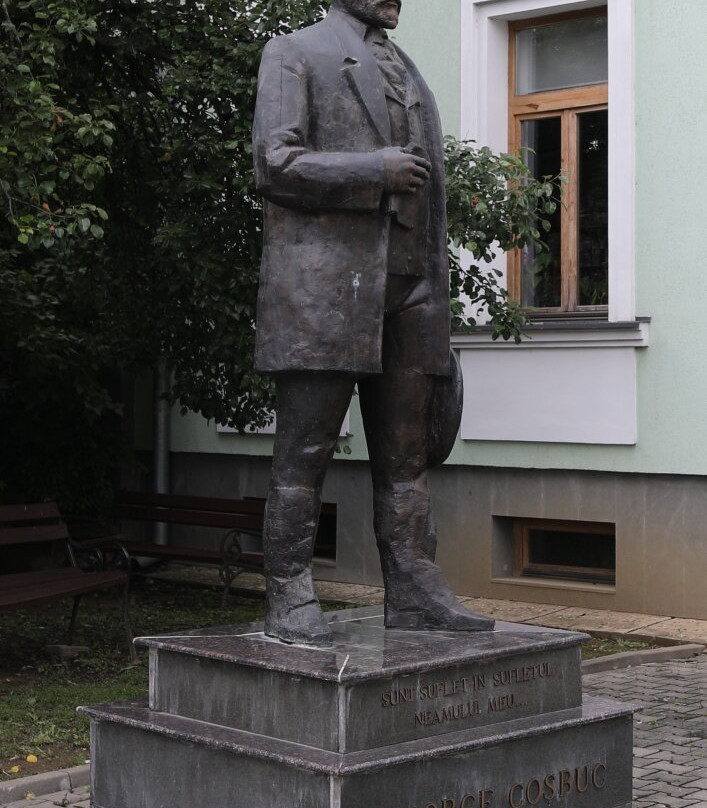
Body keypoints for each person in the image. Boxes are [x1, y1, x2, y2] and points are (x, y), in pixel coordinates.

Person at [252, 0, 494, 645]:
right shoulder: (293, 52)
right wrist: (374, 169)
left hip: (413, 284)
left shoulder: (407, 67)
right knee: (303, 454)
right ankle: (290, 593)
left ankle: (414, 589)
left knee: (406, 458)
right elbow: (273, 162)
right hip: (326, 287)